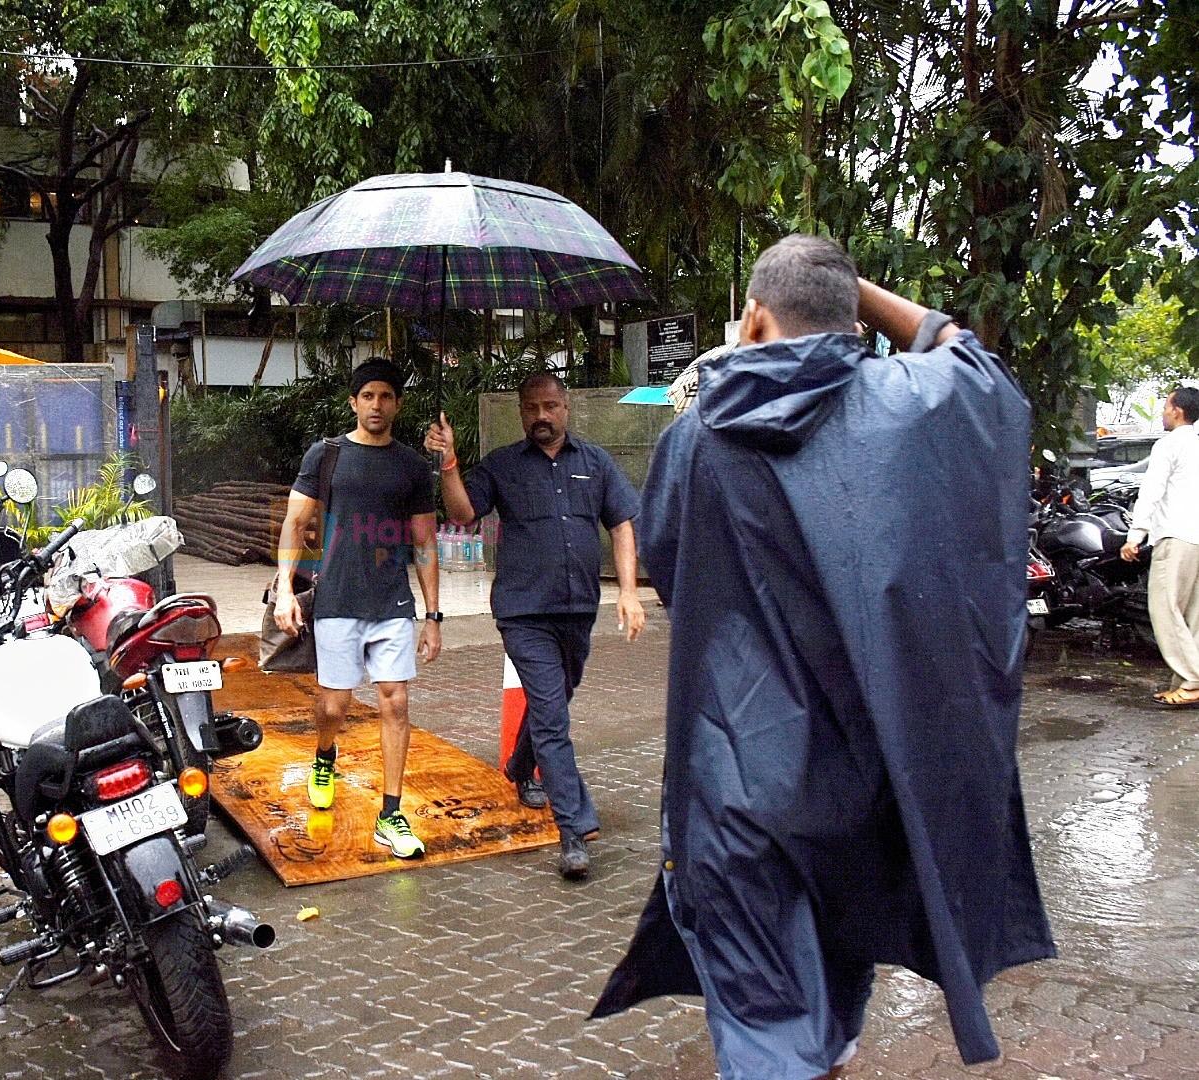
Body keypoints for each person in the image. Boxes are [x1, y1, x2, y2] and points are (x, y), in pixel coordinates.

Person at [592, 235, 1055, 1079]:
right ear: (851, 315)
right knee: (837, 969)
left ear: (752, 317)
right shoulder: (912, 405)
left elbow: (666, 567)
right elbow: (979, 367)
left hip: (737, 772)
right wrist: (860, 294)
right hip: (868, 770)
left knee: (768, 1012)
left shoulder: (697, 437)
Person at [423, 373, 645, 880]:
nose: (541, 416)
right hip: (523, 611)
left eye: (550, 406)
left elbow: (621, 524)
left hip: (578, 608)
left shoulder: (596, 462)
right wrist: (450, 461)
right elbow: (460, 514)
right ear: (521, 413)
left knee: (555, 701)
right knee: (551, 711)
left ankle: (520, 767)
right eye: (531, 408)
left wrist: (629, 590)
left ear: (566, 408)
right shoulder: (503, 464)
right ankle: (573, 828)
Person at [272, 358, 442, 858]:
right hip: (338, 598)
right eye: (367, 395)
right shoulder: (326, 455)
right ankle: (325, 754)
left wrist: (432, 616)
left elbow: (425, 541)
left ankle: (390, 814)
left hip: (391, 601)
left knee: (395, 700)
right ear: (353, 402)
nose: (376, 404)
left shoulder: (411, 465)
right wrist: (285, 588)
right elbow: (293, 522)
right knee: (334, 706)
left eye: (386, 396)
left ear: (398, 404)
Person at [1120, 386, 1199, 706]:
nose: (1163, 412)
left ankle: (1193, 680)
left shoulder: (1170, 445)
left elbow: (1151, 493)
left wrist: (1134, 536)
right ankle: (1184, 684)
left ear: (1177, 411)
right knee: (1192, 617)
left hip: (1175, 537)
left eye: (1166, 406)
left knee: (1165, 611)